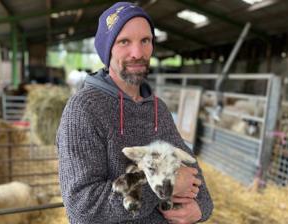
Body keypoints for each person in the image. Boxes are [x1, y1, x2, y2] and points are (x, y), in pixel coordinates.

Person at [56, 2, 213, 223]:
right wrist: (165, 185)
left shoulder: (157, 108)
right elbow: (83, 208)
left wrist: (201, 208)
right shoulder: (84, 110)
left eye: (145, 41)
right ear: (107, 49)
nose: (137, 53)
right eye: (124, 42)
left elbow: (191, 169)